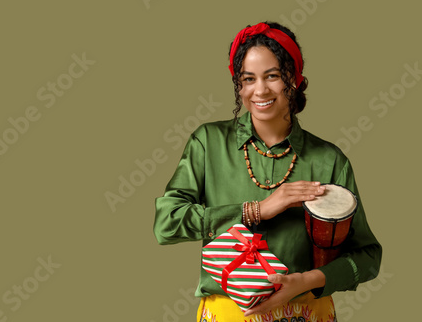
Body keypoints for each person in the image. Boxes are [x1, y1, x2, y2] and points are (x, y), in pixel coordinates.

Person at [153, 21, 382, 321]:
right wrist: (255, 210)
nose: (260, 90)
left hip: (307, 312)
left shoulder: (330, 160)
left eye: (272, 76)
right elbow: (166, 224)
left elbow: (368, 258)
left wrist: (309, 281)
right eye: (248, 79)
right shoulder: (207, 143)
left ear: (295, 79)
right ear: (239, 85)